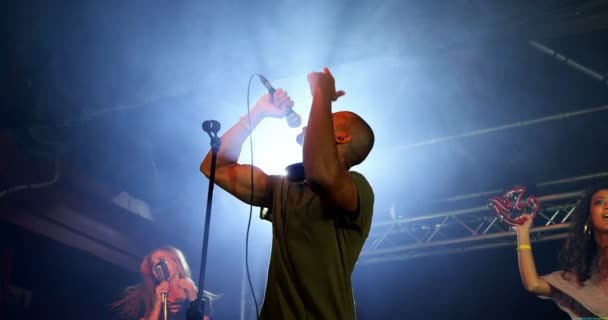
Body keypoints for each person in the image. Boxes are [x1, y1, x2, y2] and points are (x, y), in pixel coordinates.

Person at [200, 67, 375, 319]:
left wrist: (322, 95)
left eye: (329, 118)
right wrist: (258, 112)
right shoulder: (283, 187)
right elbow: (215, 167)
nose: (314, 121)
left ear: (341, 136)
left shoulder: (358, 189)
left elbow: (322, 175)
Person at [515, 182, 608, 318]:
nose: (607, 206)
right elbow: (534, 285)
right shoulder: (583, 278)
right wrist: (522, 234)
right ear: (588, 217)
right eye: (599, 202)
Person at [113, 246, 219, 320]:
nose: (156, 265)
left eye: (161, 260)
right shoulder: (148, 297)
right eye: (153, 264)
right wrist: (158, 302)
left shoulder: (201, 297)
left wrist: (192, 295)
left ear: (176, 262)